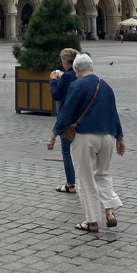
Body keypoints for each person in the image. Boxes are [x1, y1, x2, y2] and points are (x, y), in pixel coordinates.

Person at [49, 53, 125, 233]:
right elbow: (114, 113)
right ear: (91, 67)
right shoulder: (105, 85)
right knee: (103, 174)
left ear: (76, 69)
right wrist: (120, 138)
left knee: (85, 178)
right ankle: (110, 210)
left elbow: (66, 113)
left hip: (85, 137)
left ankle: (91, 222)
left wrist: (54, 135)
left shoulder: (76, 85)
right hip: (107, 136)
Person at [48, 48, 80, 194]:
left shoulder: (67, 77)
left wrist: (53, 80)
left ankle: (71, 184)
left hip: (68, 120)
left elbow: (56, 94)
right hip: (81, 118)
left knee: (67, 152)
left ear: (66, 61)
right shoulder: (78, 74)